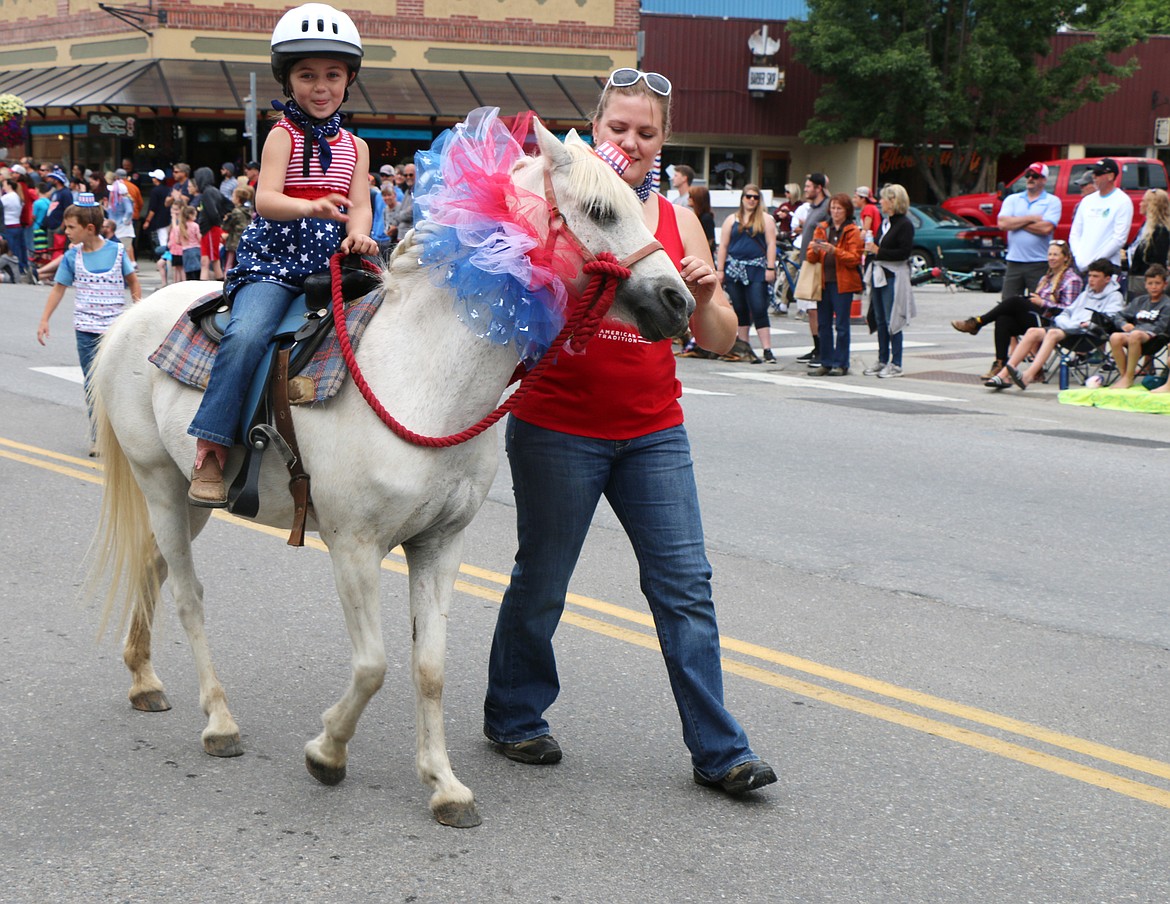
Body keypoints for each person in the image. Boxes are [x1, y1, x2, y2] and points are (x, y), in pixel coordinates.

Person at [482, 68, 776, 796]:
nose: (632, 142)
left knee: (685, 587)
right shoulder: (556, 205)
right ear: (596, 128)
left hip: (654, 430)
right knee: (543, 581)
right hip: (558, 424)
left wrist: (706, 294)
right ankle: (515, 715)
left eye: (646, 132)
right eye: (618, 128)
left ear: (663, 140)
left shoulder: (675, 219)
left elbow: (716, 338)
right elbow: (506, 311)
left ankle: (719, 751)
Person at [187, 2, 377, 506]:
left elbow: (360, 205)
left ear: (349, 79)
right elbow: (265, 199)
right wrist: (309, 205)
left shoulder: (356, 146)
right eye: (308, 75)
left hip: (331, 263)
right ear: (288, 80)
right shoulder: (282, 134)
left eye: (332, 75)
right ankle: (211, 449)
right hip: (276, 262)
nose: (321, 86)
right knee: (248, 334)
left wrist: (361, 233)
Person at [35, 193, 141, 451]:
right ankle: (99, 436)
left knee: (116, 383)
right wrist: (44, 320)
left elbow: (133, 282)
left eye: (71, 227)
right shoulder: (73, 257)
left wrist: (138, 314)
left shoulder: (117, 252)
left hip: (115, 331)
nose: (66, 231)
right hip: (86, 331)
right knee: (92, 384)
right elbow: (59, 288)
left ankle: (121, 434)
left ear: (89, 228)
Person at [950, 239, 1083, 379]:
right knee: (1003, 319)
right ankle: (1000, 363)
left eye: (1055, 255)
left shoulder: (1072, 280)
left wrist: (1043, 303)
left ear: (1066, 258)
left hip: (1053, 322)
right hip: (1037, 318)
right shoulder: (1046, 278)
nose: (1051, 258)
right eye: (1049, 254)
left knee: (1014, 301)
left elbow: (1069, 310)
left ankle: (977, 322)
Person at [985, 258, 1124, 390]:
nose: (1091, 280)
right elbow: (1066, 312)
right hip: (1069, 329)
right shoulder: (1086, 294)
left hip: (1088, 335)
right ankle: (1003, 374)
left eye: (1096, 276)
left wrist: (1072, 325)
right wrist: (1065, 323)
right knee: (1033, 331)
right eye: (1090, 275)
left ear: (1107, 279)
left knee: (1052, 333)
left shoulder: (1115, 297)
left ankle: (1028, 376)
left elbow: (1107, 321)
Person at [716, 183, 777, 363]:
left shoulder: (765, 219)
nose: (751, 200)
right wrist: (720, 269)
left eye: (755, 197)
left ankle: (767, 349)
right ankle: (744, 347)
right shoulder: (731, 219)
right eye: (748, 196)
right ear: (742, 198)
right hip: (734, 268)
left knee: (759, 307)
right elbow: (724, 246)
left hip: (757, 268)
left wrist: (771, 268)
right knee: (740, 309)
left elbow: (771, 243)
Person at [806, 192, 863, 376]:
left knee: (841, 324)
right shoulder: (822, 228)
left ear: (847, 211)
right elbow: (810, 256)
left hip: (842, 283)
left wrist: (835, 251)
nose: (835, 211)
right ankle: (826, 361)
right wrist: (814, 249)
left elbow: (855, 258)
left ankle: (841, 363)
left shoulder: (852, 230)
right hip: (823, 282)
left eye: (839, 208)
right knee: (823, 324)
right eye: (833, 208)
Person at [863, 183, 916, 378]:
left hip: (893, 275)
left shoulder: (905, 224)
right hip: (879, 273)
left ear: (893, 201)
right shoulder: (886, 223)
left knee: (892, 318)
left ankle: (896, 362)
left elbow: (904, 252)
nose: (880, 202)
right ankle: (882, 358)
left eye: (884, 199)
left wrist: (878, 251)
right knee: (879, 318)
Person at [997, 162, 1062, 299]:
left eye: (1035, 176)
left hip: (1039, 263)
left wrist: (1015, 221)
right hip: (1014, 261)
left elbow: (1046, 228)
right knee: (1008, 304)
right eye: (1028, 175)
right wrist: (1031, 218)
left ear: (1044, 180)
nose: (1030, 179)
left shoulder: (1053, 201)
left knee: (1038, 304)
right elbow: (1002, 224)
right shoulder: (1012, 199)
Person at [1105, 264, 1170, 389]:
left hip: (1155, 338)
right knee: (1115, 337)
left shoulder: (1167, 304)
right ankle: (1124, 376)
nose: (1154, 287)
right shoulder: (1139, 301)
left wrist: (1137, 330)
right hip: (1136, 334)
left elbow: (1162, 326)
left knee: (1135, 335)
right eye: (1150, 283)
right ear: (1145, 285)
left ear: (1164, 285)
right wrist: (1124, 325)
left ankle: (1129, 377)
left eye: (1157, 283)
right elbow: (1119, 316)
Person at [1069, 158, 1133, 273]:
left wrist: (1095, 262)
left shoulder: (1123, 201)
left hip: (1106, 266)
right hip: (1081, 265)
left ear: (1111, 176)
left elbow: (1119, 239)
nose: (1094, 177)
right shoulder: (1087, 201)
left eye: (1098, 174)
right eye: (1093, 173)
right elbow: (1075, 233)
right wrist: (1078, 257)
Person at [795, 172, 830, 365]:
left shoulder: (826, 207)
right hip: (807, 261)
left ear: (818, 188)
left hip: (817, 263)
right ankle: (817, 346)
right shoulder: (813, 207)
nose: (806, 189)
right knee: (808, 307)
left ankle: (822, 349)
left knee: (814, 307)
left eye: (809, 186)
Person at [1126, 189, 1170, 299]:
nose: (1140, 204)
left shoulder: (1160, 232)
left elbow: (1157, 261)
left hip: (1147, 284)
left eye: (1143, 201)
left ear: (1151, 206)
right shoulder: (1146, 226)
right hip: (1137, 280)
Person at [221, 184, 255, 272]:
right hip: (243, 240)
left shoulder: (235, 212)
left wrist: (226, 220)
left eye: (233, 196)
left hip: (234, 241)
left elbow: (226, 227)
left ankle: (227, 279)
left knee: (229, 263)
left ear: (237, 199)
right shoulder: (248, 211)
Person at [141, 168, 172, 252]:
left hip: (159, 219)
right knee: (168, 238)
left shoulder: (155, 191)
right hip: (169, 218)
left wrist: (147, 221)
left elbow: (152, 208)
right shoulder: (169, 189)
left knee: (162, 240)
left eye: (154, 177)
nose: (152, 179)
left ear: (156, 179)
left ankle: (165, 258)